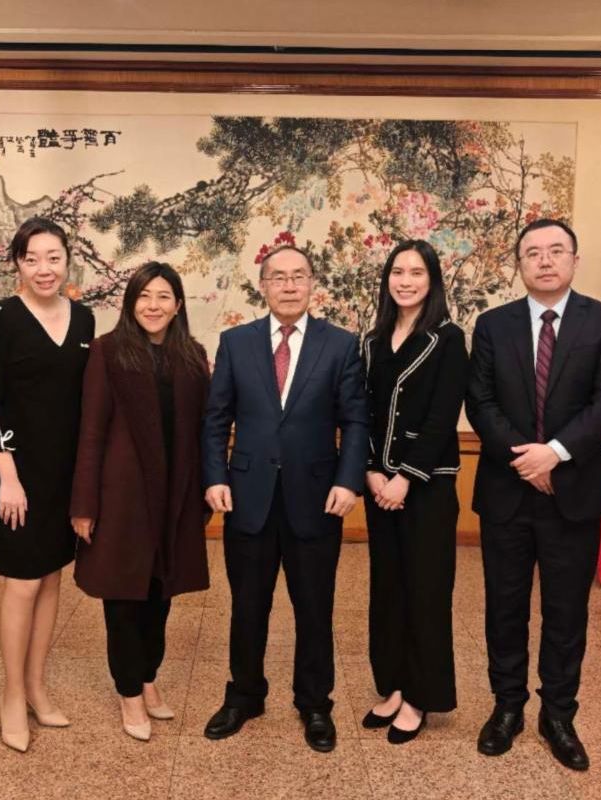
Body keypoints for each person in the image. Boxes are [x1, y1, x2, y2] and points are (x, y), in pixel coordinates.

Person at [466, 218, 601, 771]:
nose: (544, 260)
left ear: (574, 261)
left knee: (566, 610)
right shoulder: (493, 325)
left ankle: (558, 714)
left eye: (556, 250)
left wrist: (554, 453)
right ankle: (507, 707)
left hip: (573, 492)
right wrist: (526, 458)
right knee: (504, 606)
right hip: (507, 490)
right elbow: (480, 401)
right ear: (519, 265)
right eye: (532, 252)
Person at [201, 244, 368, 753]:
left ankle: (315, 703)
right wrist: (215, 476)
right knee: (247, 606)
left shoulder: (341, 345)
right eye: (278, 277)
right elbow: (216, 419)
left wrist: (349, 481)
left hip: (317, 498)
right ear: (263, 286)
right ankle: (244, 695)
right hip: (247, 496)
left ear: (313, 283)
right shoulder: (236, 342)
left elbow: (355, 420)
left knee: (314, 607)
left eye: (299, 276)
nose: (289, 285)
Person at [70, 262, 211, 742]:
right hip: (122, 499)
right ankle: (129, 691)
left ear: (178, 304)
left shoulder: (192, 355)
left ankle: (149, 677)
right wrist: (84, 504)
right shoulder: (108, 351)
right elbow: (90, 430)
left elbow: (204, 429)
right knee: (124, 599)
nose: (154, 305)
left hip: (175, 496)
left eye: (164, 296)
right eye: (144, 296)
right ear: (131, 303)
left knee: (160, 595)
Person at [0, 217, 95, 753]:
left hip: (65, 474)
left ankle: (37, 688)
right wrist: (7, 477)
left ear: (67, 259)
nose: (44, 269)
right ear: (17, 264)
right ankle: (11, 694)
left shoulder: (85, 317)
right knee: (23, 582)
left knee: (51, 579)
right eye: (31, 259)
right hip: (15, 475)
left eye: (53, 257)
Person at [361, 240, 468, 745]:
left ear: (432, 280)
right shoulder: (372, 340)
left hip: (425, 487)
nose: (405, 281)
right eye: (397, 272)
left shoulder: (448, 339)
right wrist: (370, 471)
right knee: (388, 591)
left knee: (426, 592)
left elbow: (443, 416)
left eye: (417, 272)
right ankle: (394, 685)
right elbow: (361, 411)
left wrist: (405, 476)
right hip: (378, 486)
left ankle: (421, 696)